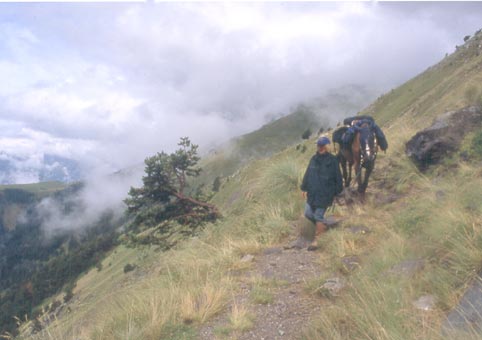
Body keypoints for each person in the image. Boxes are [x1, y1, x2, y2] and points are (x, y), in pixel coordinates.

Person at [300, 136, 343, 250]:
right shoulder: (313, 159)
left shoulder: (333, 160)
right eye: (319, 146)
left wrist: (336, 193)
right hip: (312, 192)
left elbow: (338, 178)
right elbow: (308, 173)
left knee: (318, 215)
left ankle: (318, 240)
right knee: (308, 213)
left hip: (325, 193)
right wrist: (304, 188)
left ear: (327, 147)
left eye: (322, 146)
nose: (320, 148)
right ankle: (323, 226)